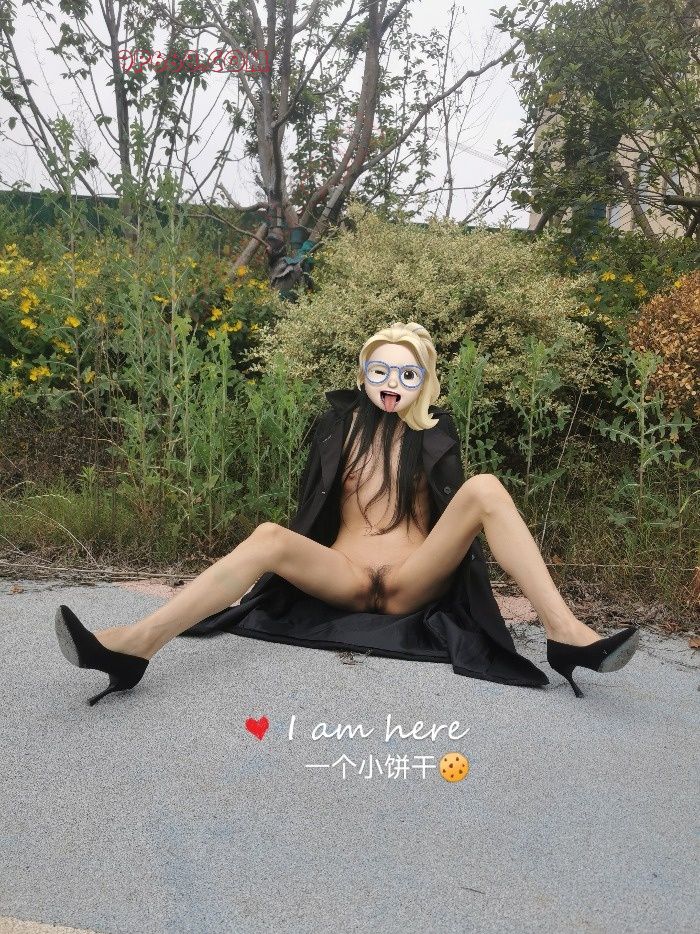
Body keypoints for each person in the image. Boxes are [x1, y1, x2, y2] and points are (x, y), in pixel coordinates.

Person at [55, 321, 640, 706]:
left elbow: (453, 520)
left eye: (406, 374)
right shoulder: (338, 427)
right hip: (345, 575)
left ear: (424, 381)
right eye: (379, 371)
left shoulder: (437, 433)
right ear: (362, 375)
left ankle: (565, 634)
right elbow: (311, 506)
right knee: (268, 534)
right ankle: (136, 645)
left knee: (485, 487)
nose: (391, 383)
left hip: (411, 579)